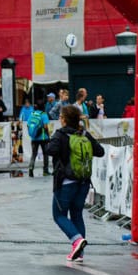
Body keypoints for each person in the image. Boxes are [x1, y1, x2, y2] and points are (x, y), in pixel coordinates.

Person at [46, 105, 104, 262]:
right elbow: (100, 151)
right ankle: (80, 253)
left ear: (64, 119)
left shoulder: (61, 134)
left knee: (59, 215)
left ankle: (76, 240)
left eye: (60, 116)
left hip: (66, 181)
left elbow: (50, 150)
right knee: (77, 214)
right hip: (83, 182)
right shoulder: (84, 133)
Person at [27, 100, 50, 178]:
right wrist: (48, 136)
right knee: (45, 154)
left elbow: (28, 125)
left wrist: (33, 134)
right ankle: (45, 171)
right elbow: (46, 127)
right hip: (43, 137)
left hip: (34, 138)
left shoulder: (32, 114)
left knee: (34, 154)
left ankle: (31, 169)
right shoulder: (44, 114)